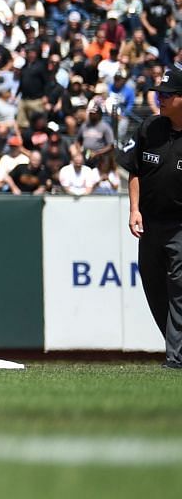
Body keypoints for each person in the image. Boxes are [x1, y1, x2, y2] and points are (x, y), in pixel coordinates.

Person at [123, 77, 182, 369]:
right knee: (154, 285)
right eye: (160, 94)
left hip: (179, 225)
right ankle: (176, 349)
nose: (161, 99)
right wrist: (134, 209)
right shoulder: (149, 127)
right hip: (150, 223)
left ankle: (176, 357)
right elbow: (134, 170)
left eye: (168, 95)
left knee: (179, 287)